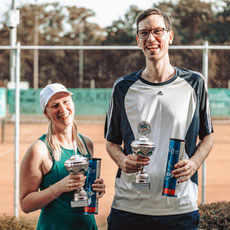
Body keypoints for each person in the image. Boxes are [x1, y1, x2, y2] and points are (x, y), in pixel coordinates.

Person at [104, 8, 214, 230]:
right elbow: (111, 142)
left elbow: (208, 136)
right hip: (129, 207)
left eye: (157, 31)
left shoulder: (195, 83)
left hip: (179, 206)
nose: (151, 38)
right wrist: (121, 160)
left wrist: (195, 163)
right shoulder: (123, 87)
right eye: (144, 33)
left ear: (170, 36)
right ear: (138, 40)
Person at [20, 83, 105, 230]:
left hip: (86, 225)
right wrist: (58, 188)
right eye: (54, 106)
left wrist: (96, 188)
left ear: (73, 104)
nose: (63, 109)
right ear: (46, 113)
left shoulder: (87, 144)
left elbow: (86, 191)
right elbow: (25, 204)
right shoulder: (39, 149)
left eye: (66, 102)